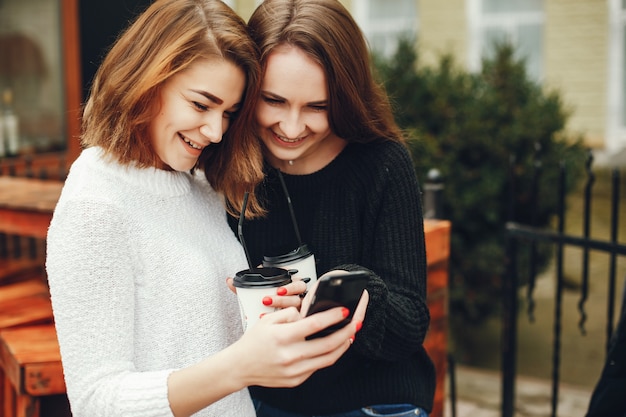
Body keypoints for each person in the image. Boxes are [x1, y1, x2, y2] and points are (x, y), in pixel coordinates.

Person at [45, 1, 367, 416]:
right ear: (147, 78)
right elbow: (96, 402)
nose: (216, 131)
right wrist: (240, 366)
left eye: (229, 113)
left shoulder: (197, 182)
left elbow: (198, 336)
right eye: (200, 105)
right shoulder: (95, 204)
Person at [225, 0, 436, 416]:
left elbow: (410, 324)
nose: (291, 127)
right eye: (274, 100)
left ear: (344, 99)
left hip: (373, 399)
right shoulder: (227, 159)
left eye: (317, 107)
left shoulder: (381, 163)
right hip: (260, 397)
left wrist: (355, 291)